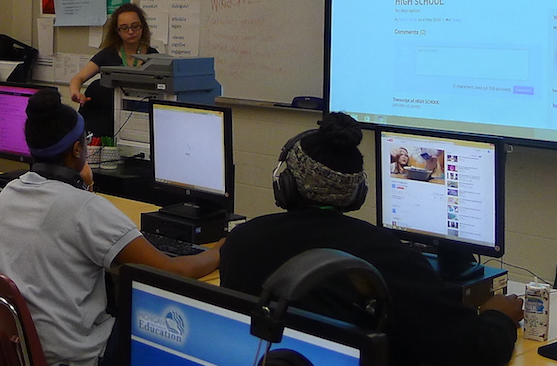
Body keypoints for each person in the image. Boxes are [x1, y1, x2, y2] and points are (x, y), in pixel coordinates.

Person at [220, 113, 523, 366]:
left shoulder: (242, 241)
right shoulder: (385, 257)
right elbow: (467, 355)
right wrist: (499, 318)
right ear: (357, 193)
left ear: (283, 184)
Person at [0, 88, 220, 366]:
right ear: (78, 149)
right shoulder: (83, 208)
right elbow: (174, 270)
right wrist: (223, 249)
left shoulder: (11, 192)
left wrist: (84, 186)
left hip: (24, 347)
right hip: (75, 354)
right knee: (165, 329)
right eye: (85, 141)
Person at [68, 3, 158, 135]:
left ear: (142, 27)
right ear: (117, 31)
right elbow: (78, 78)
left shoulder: (153, 56)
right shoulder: (108, 54)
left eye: (135, 26)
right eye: (124, 28)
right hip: (106, 120)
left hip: (138, 120)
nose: (131, 32)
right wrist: (75, 93)